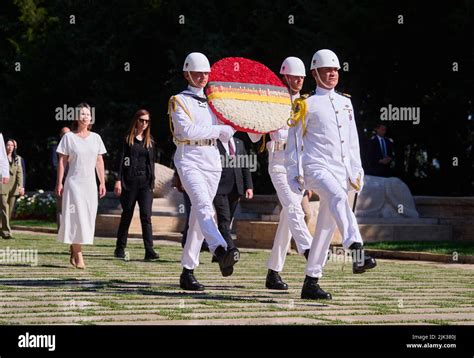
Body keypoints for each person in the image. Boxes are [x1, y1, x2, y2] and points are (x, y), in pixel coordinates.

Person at [288, 49, 377, 300]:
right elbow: (294, 144)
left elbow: (352, 142)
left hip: (340, 171)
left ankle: (311, 282)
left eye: (336, 70)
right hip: (315, 168)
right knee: (337, 196)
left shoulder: (345, 102)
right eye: (327, 70)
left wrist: (356, 171)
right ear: (315, 73)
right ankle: (357, 250)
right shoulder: (305, 104)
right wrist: (295, 175)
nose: (332, 74)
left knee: (325, 228)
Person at [169, 52, 240, 291]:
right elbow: (187, 131)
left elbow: (229, 127)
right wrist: (218, 130)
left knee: (197, 219)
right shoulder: (178, 100)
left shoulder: (214, 100)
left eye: (205, 73)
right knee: (202, 206)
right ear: (186, 73)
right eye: (197, 73)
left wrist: (227, 131)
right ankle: (220, 249)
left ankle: (187, 272)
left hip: (212, 159)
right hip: (189, 158)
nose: (202, 77)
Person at [249, 57, 313, 290]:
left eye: (301, 77)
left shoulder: (306, 104)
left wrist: (308, 172)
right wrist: (253, 117)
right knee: (293, 207)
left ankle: (273, 272)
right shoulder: (271, 102)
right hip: (277, 161)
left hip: (297, 166)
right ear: (284, 76)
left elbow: (309, 140)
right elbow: (255, 137)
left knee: (288, 216)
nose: (298, 81)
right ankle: (309, 249)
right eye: (294, 76)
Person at [55, 103, 107, 269]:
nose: (85, 116)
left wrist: (102, 182)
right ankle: (78, 254)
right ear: (76, 117)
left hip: (90, 184)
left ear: (91, 118)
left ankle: (74, 246)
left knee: (87, 218)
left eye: (87, 114)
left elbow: (99, 161)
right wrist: (59, 182)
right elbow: (62, 161)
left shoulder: (96, 138)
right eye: (82, 114)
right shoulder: (68, 138)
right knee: (75, 217)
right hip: (74, 183)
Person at [113, 109, 159, 261]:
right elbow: (120, 161)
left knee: (146, 216)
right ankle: (120, 247)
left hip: (145, 183)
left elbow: (151, 163)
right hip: (129, 182)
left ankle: (149, 250)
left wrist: (152, 181)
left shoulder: (150, 141)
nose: (144, 124)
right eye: (141, 120)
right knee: (127, 214)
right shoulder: (127, 139)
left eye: (147, 121)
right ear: (136, 121)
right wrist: (118, 180)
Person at [212, 136, 253, 257]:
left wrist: (248, 186)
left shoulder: (239, 142)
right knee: (224, 219)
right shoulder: (214, 142)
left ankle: (219, 252)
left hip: (236, 188)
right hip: (219, 187)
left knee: (228, 220)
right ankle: (231, 248)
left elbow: (245, 166)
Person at [0, 138, 24, 239]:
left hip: (13, 188)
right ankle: (7, 233)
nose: (9, 147)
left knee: (9, 211)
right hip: (2, 186)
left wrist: (21, 186)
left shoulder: (17, 158)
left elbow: (20, 173)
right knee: (4, 208)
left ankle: (2, 229)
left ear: (14, 147)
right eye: (7, 145)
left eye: (11, 145)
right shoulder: (1, 158)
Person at [55, 127, 70, 229]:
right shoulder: (57, 148)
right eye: (64, 134)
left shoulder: (74, 146)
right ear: (60, 135)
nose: (66, 136)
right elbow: (55, 164)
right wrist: (59, 181)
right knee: (61, 207)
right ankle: (61, 229)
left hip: (73, 180)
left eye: (68, 133)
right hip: (61, 180)